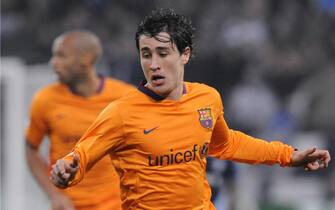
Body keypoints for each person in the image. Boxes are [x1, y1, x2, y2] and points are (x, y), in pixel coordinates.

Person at [50, 9, 331, 210]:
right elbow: (80, 157)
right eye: (145, 54)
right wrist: (66, 171)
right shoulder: (120, 113)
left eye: (163, 53)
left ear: (185, 54)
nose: (153, 64)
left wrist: (288, 156)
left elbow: (227, 144)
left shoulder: (206, 99)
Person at [25, 30, 134, 210]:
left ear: (86, 59)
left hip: (115, 205)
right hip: (68, 206)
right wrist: (54, 195)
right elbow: (31, 149)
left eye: (61, 56)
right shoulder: (45, 100)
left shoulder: (124, 97)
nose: (54, 63)